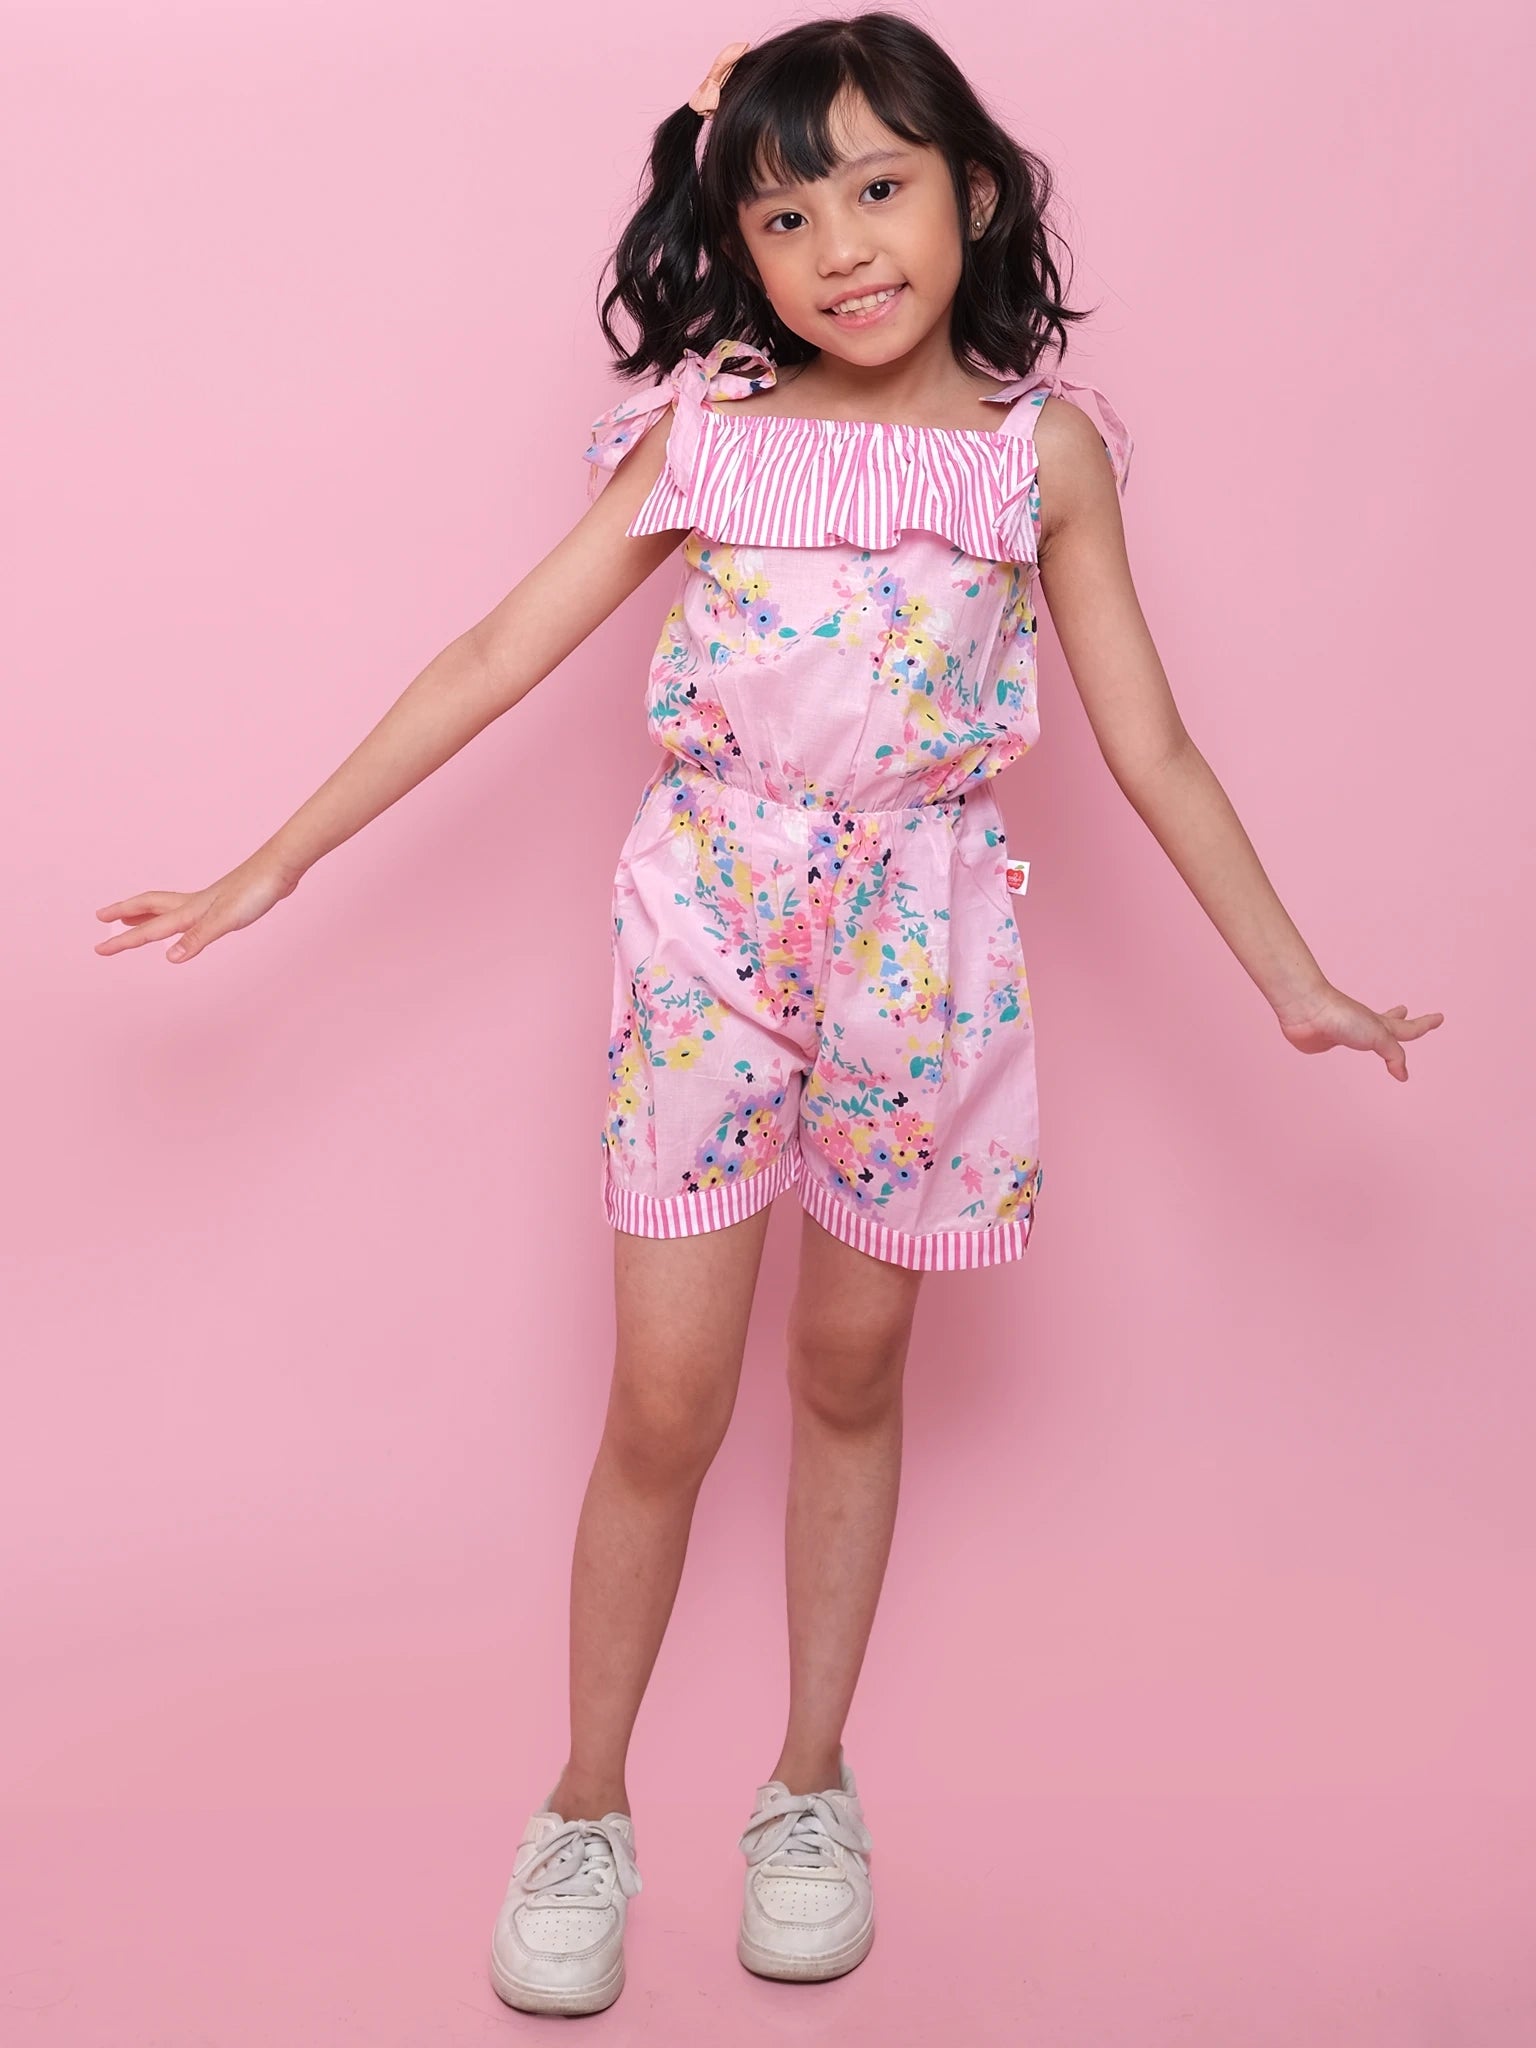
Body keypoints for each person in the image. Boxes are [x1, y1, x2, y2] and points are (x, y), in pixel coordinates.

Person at [92, 12, 1444, 2021]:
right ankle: (583, 1805)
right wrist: (274, 860)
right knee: (661, 1401)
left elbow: (1149, 745)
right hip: (713, 931)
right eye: (785, 207)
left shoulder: (1040, 453)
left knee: (852, 1371)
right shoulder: (710, 433)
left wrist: (1295, 979)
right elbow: (495, 649)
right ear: (742, 243)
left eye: (881, 187)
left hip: (930, 949)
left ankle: (809, 1786)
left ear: (972, 194)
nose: (842, 244)